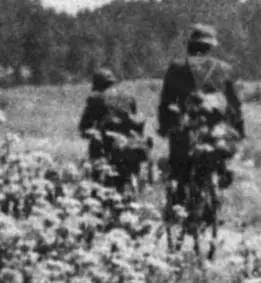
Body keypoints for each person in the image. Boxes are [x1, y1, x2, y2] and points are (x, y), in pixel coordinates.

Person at [157, 24, 245, 193]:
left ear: (191, 44)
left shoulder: (177, 66)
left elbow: (166, 101)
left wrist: (164, 127)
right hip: (217, 127)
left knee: (178, 170)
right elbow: (234, 104)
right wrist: (239, 129)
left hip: (185, 126)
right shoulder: (223, 68)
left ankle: (177, 200)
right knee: (220, 158)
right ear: (211, 46)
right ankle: (219, 177)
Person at [78, 67, 148, 191]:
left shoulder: (96, 98)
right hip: (129, 146)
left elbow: (84, 127)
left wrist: (89, 133)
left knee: (99, 183)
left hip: (106, 149)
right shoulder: (128, 97)